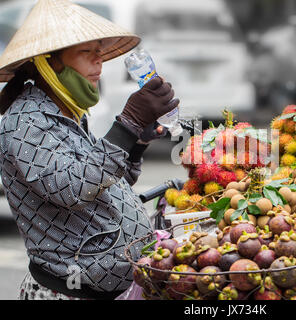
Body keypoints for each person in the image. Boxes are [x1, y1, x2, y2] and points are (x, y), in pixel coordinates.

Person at [0, 0, 179, 300]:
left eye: (100, 52)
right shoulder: (25, 122)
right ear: (49, 62)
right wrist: (127, 124)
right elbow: (72, 187)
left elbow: (101, 186)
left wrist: (135, 145)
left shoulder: (69, 113)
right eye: (86, 53)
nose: (99, 62)